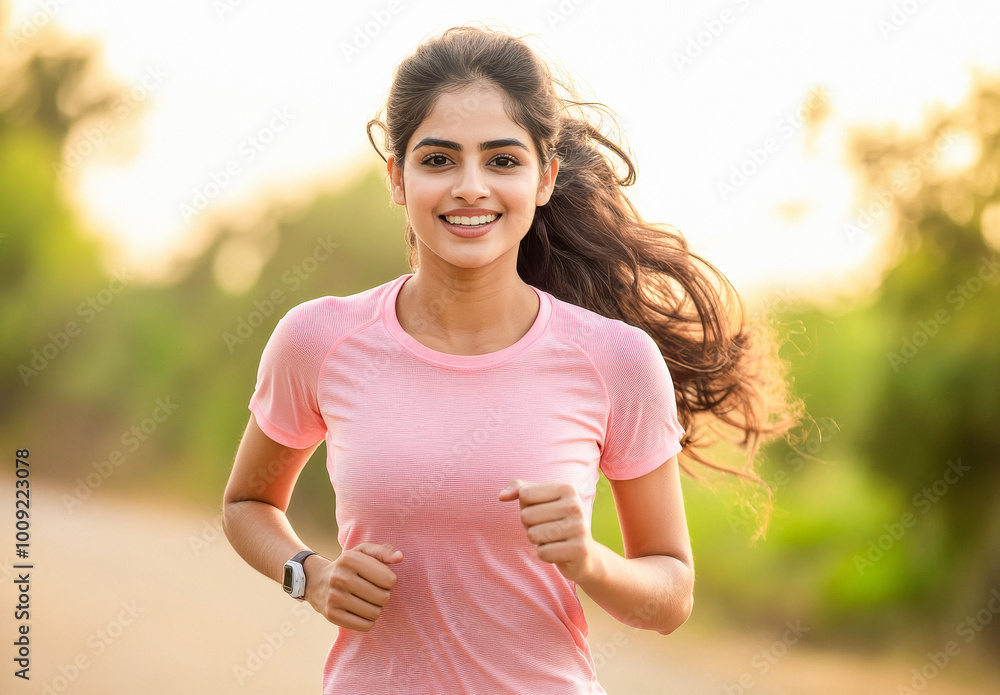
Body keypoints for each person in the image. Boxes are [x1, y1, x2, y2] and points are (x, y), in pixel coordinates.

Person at [223, 23, 798, 695]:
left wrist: (589, 560)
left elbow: (670, 597)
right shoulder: (319, 340)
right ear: (398, 178)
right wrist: (309, 573)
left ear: (545, 177)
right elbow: (247, 502)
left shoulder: (616, 360)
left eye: (502, 160)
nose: (471, 187)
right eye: (438, 160)